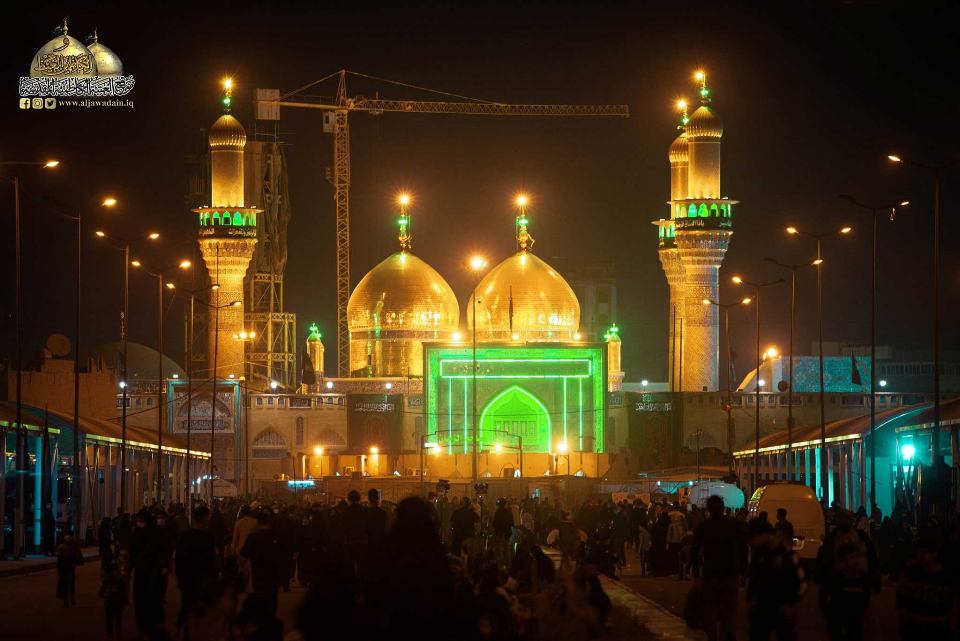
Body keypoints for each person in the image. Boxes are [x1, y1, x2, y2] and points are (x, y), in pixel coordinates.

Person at [692, 495, 748, 641]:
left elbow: (695, 550)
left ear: (708, 509)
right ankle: (727, 636)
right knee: (729, 612)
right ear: (723, 508)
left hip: (711, 573)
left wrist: (696, 574)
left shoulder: (705, 526)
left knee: (710, 609)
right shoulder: (732, 525)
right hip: (730, 573)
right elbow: (743, 547)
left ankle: (713, 636)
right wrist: (743, 571)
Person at [896, 537, 952, 640]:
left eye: (925, 552)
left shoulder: (946, 574)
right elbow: (901, 595)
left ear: (934, 553)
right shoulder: (910, 571)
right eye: (919, 552)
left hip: (938, 626)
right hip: (914, 624)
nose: (922, 556)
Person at [175, 505, 219, 628]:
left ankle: (182, 631)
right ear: (205, 518)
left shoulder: (185, 536)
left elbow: (179, 559)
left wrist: (180, 578)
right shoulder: (209, 538)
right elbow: (211, 560)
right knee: (202, 610)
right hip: (203, 580)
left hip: (188, 579)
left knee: (186, 607)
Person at [821, 543, 871, 640]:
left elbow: (867, 602)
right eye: (852, 557)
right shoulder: (835, 579)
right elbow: (823, 598)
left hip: (857, 626)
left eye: (858, 556)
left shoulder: (864, 579)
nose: (856, 561)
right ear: (843, 561)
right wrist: (831, 619)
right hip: (839, 625)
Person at [241, 510, 284, 617]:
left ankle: (261, 618)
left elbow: (244, 552)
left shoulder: (253, 537)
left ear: (258, 523)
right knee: (272, 596)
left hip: (258, 572)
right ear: (270, 522)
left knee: (259, 595)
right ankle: (270, 617)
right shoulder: (276, 536)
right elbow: (283, 553)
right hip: (273, 573)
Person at [231, 504, 259, 590]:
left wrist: (233, 550)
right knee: (250, 568)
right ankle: (249, 586)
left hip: (240, 549)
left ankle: (242, 585)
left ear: (242, 513)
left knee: (241, 569)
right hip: (252, 549)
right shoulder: (255, 522)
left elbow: (235, 538)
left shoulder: (239, 523)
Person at [99, 561, 128, 636]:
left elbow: (102, 590)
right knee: (114, 617)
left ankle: (112, 630)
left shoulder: (108, 580)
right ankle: (114, 630)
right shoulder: (120, 579)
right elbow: (123, 591)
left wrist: (103, 595)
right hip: (114, 601)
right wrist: (124, 601)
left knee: (112, 617)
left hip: (112, 601)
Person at [55, 532, 83, 607]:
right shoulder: (73, 547)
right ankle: (69, 600)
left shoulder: (62, 547)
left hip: (66, 567)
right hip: (68, 567)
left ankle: (67, 600)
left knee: (66, 584)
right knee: (69, 584)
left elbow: (59, 558)